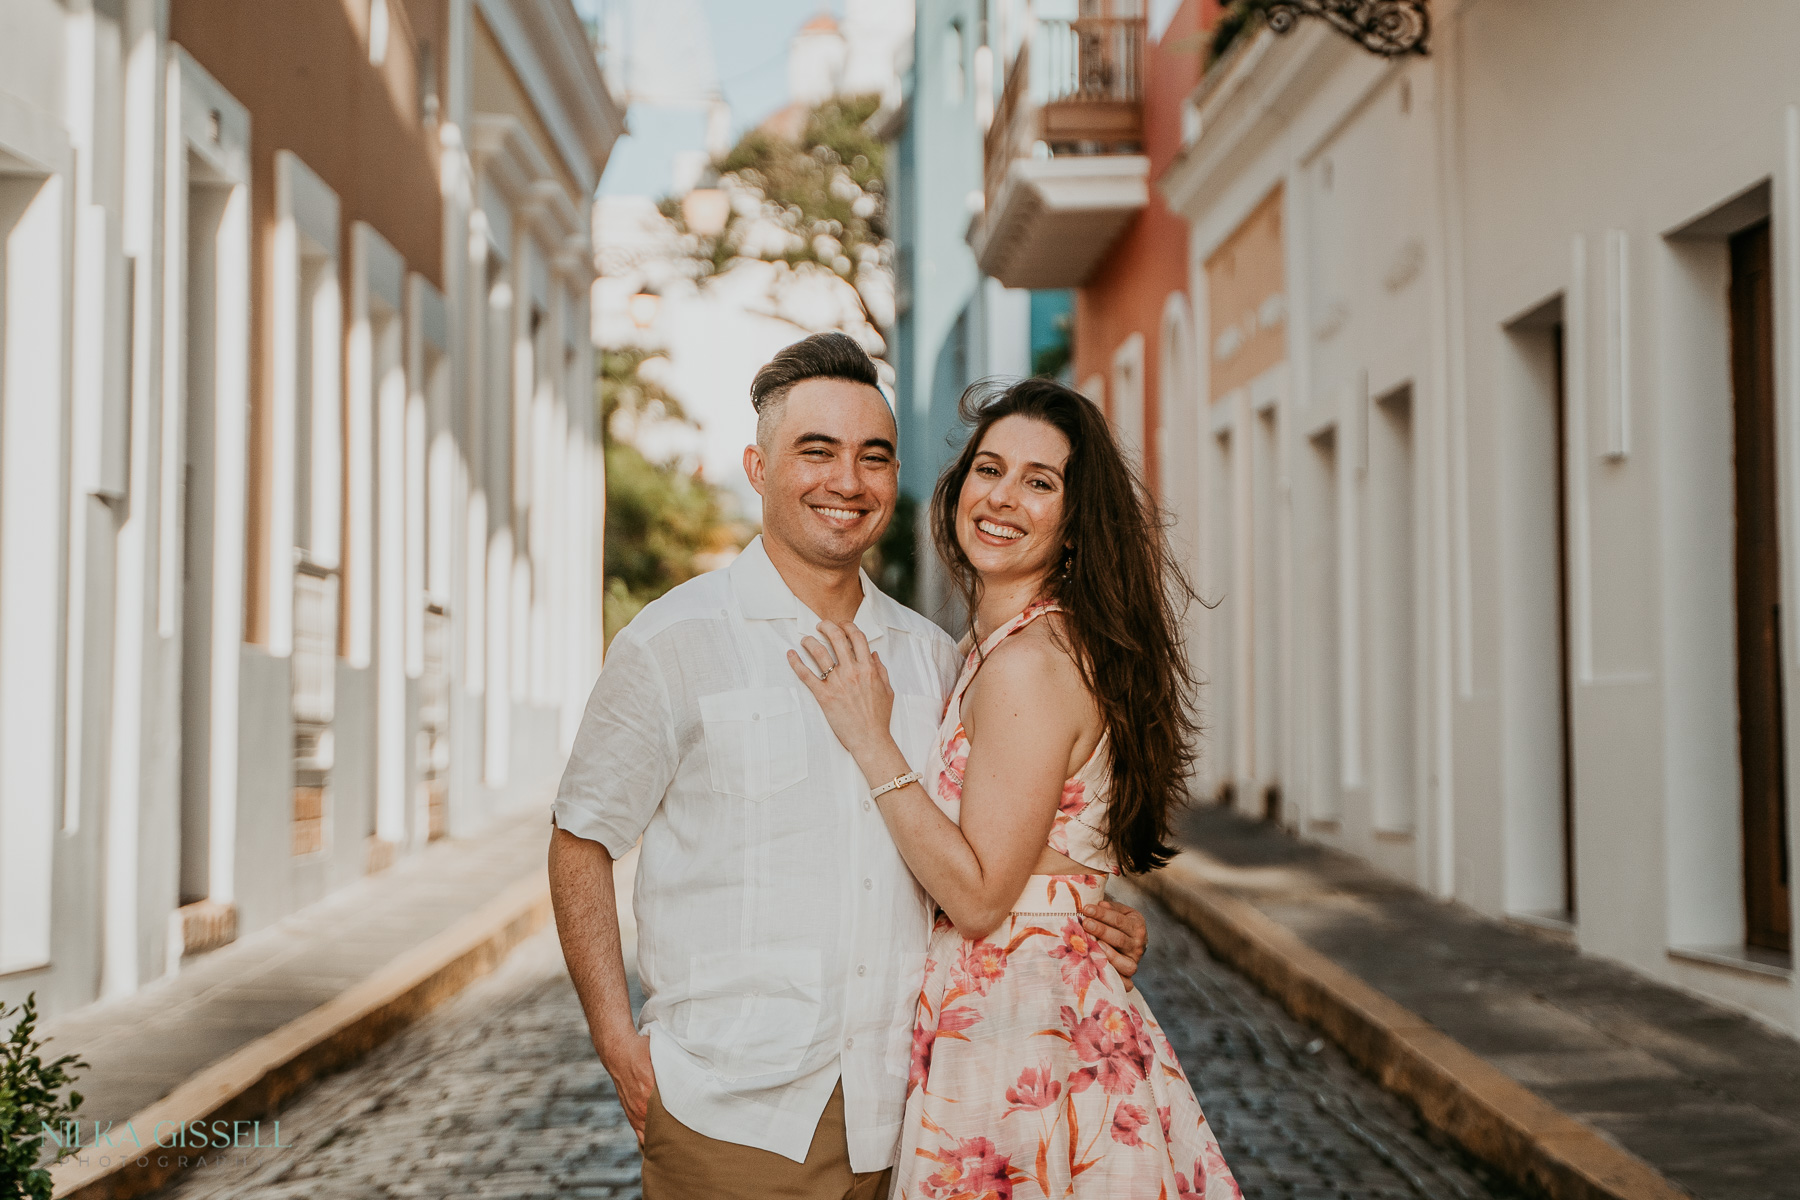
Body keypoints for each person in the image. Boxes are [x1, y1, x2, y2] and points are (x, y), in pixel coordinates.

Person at [548, 333, 1152, 1200]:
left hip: (909, 1113)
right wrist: (616, 1037)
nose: (848, 481)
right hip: (732, 1114)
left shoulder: (933, 658)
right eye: (817, 452)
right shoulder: (672, 643)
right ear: (757, 468)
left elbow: (989, 844)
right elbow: (580, 838)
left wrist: (1084, 907)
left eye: (874, 457)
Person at [789, 377, 1242, 1198]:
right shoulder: (998, 648)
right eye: (989, 469)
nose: (1002, 498)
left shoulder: (1029, 664)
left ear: (1074, 524)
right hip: (1028, 1005)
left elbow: (980, 897)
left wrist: (870, 739)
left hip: (1020, 1034)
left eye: (1040, 482)